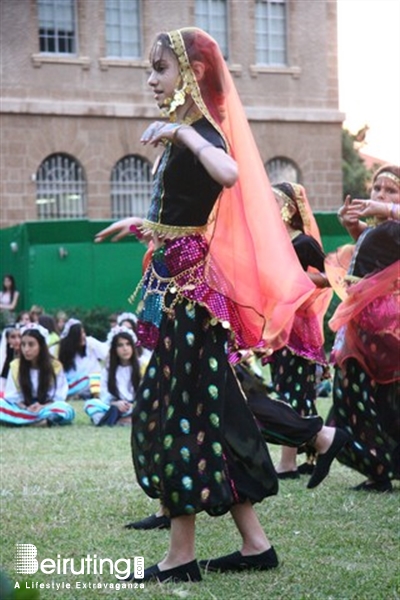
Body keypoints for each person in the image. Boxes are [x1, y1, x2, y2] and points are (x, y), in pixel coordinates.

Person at [95, 28, 347, 584]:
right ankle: (255, 545)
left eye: (159, 68)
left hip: (190, 297)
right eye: (150, 69)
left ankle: (180, 557)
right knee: (214, 412)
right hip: (179, 288)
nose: (151, 80)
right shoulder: (183, 133)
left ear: (193, 72)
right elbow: (183, 216)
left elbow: (229, 174)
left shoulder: (202, 132)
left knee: (178, 415)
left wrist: (185, 137)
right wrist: (138, 225)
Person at [326, 164, 400, 492]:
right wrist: (354, 227)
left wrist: (387, 210)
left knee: (369, 394)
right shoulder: (383, 227)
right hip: (363, 324)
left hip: (382, 326)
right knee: (363, 395)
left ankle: (378, 465)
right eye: (377, 189)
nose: (380, 195)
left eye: (391, 191)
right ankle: (378, 467)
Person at [271, 183, 332, 478]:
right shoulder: (270, 242)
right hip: (276, 323)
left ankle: (289, 462)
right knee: (285, 385)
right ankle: (313, 454)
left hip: (297, 326)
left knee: (296, 389)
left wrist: (300, 281)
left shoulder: (304, 242)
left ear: (290, 208)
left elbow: (331, 276)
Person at [0, 323, 75, 426]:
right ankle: (39, 421)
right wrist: (26, 408)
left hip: (45, 408)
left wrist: (42, 407)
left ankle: (20, 421)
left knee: (65, 409)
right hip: (23, 408)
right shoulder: (15, 366)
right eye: (23, 344)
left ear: (41, 346)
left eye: (31, 344)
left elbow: (58, 397)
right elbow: (12, 397)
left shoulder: (55, 366)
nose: (26, 349)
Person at [84, 326, 142, 426]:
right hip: (115, 406)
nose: (125, 348)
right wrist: (116, 404)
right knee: (91, 405)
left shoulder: (142, 366)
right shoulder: (108, 370)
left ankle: (120, 420)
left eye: (128, 344)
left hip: (135, 406)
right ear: (114, 349)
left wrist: (133, 405)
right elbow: (104, 393)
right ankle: (124, 421)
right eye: (120, 345)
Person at [58, 318, 108, 399]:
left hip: (94, 384)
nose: (83, 336)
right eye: (79, 334)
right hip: (72, 385)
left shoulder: (91, 343)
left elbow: (108, 355)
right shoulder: (64, 351)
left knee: (94, 378)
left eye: (83, 332)